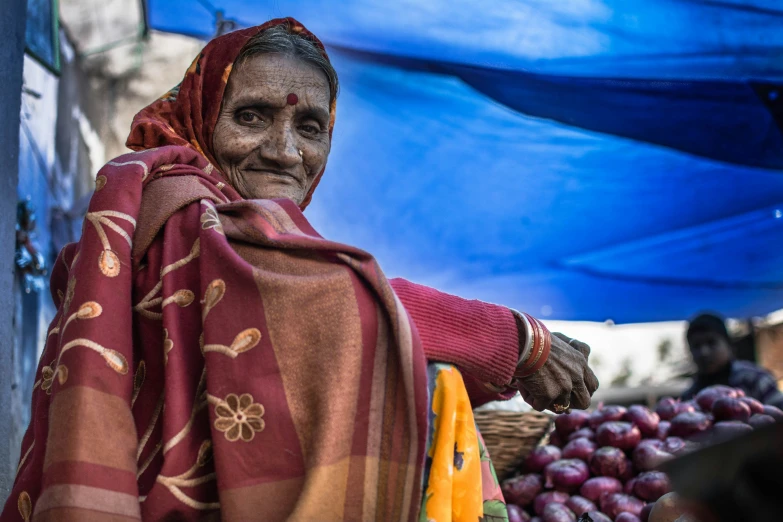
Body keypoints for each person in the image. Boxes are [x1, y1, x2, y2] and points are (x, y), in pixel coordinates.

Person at [1, 19, 598, 522]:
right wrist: (515, 339)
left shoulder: (229, 226)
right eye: (252, 118)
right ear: (202, 113)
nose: (286, 152)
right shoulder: (177, 204)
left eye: (310, 127)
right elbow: (320, 300)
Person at [681, 313, 783, 408]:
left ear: (729, 345)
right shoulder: (689, 397)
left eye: (711, 342)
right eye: (696, 346)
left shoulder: (756, 379)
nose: (704, 352)